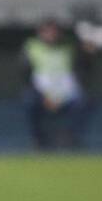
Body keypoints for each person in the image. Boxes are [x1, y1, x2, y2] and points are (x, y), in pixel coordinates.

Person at [22, 18, 98, 149]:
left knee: (85, 101)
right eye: (47, 32)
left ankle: (70, 137)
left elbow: (85, 65)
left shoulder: (70, 46)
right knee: (29, 100)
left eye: (54, 32)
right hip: (43, 94)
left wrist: (88, 52)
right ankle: (38, 139)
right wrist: (45, 97)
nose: (51, 35)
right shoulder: (32, 47)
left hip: (67, 94)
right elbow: (26, 75)